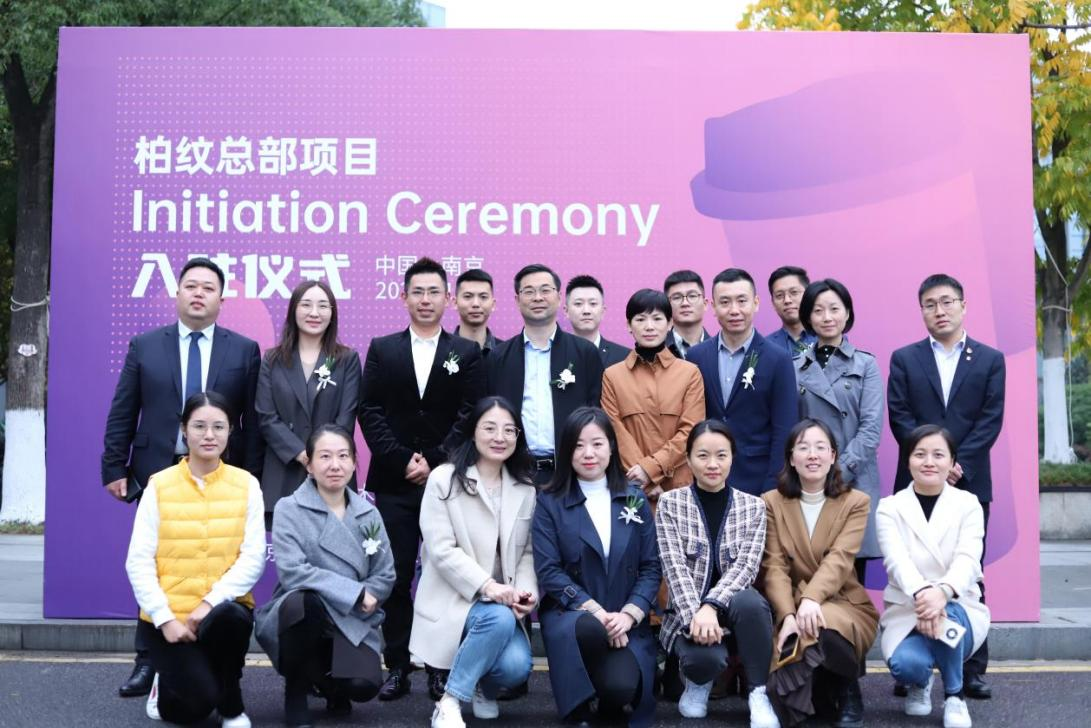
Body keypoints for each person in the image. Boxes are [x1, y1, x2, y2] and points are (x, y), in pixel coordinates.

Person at [103, 257, 262, 698]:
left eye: (208, 288)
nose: (198, 294)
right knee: (159, 563)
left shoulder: (244, 350)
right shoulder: (145, 345)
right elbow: (124, 407)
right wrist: (113, 465)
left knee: (211, 562)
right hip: (158, 472)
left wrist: (250, 475)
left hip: (220, 475)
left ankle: (211, 658)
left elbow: (252, 421)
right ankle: (147, 661)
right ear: (177, 294)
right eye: (191, 286)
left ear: (221, 300)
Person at [358, 257, 486, 702]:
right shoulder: (382, 348)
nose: (426, 299)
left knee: (442, 575)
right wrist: (400, 460)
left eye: (434, 292)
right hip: (394, 482)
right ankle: (397, 665)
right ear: (404, 297)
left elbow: (471, 413)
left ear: (447, 298)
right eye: (418, 292)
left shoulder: (466, 352)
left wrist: (433, 460)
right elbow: (369, 410)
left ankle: (439, 666)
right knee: (395, 576)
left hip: (447, 481)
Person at [887, 274, 1005, 699]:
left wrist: (956, 465)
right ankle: (911, 663)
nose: (940, 311)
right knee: (912, 571)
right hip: (916, 484)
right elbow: (900, 416)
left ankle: (971, 669)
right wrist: (929, 462)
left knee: (968, 572)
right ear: (921, 311)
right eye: (930, 304)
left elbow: (990, 419)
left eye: (947, 302)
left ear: (963, 305)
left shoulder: (990, 359)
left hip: (968, 483)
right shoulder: (905, 358)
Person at [124, 391, 265, 727]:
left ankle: (232, 706)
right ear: (184, 430)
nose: (209, 435)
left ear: (230, 431)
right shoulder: (159, 486)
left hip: (220, 613)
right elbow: (138, 561)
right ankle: (165, 682)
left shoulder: (247, 485)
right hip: (170, 620)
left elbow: (253, 557)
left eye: (219, 426)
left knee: (230, 617)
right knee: (194, 707)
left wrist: (209, 603)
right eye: (199, 426)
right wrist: (164, 618)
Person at [255, 424, 395, 727]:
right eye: (325, 456)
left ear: (355, 463)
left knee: (362, 686)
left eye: (343, 456)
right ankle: (295, 691)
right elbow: (293, 572)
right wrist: (355, 593)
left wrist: (371, 593)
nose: (335, 465)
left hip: (352, 618)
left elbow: (384, 573)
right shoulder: (289, 508)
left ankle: (330, 685)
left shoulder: (368, 512)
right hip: (304, 613)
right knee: (305, 603)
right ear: (309, 464)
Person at [411, 396, 538, 728]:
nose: (500, 437)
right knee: (497, 619)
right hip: (455, 598)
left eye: (509, 430)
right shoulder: (444, 479)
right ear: (472, 432)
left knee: (516, 667)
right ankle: (449, 700)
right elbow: (441, 549)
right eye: (490, 428)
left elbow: (526, 553)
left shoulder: (525, 488)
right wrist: (487, 586)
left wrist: (526, 593)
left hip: (502, 603)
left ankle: (483, 687)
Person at [532, 407, 660, 726]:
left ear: (611, 447)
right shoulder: (550, 501)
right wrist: (597, 613)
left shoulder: (633, 497)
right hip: (572, 617)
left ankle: (604, 689)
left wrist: (628, 615)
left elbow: (650, 567)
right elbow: (548, 570)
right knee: (588, 628)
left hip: (623, 620)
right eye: (578, 445)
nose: (588, 453)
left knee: (621, 689)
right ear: (566, 451)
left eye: (597, 443)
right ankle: (578, 699)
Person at [656, 419, 778, 727]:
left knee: (751, 602)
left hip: (732, 611)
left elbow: (746, 567)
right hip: (688, 614)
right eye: (703, 455)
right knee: (703, 661)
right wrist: (697, 615)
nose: (713, 464)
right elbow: (674, 569)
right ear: (688, 459)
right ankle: (698, 682)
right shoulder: (670, 504)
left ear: (732, 457)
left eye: (721, 455)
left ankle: (758, 693)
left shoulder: (753, 507)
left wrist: (712, 606)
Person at [762, 419, 879, 728]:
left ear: (833, 455)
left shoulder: (855, 502)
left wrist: (812, 598)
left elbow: (841, 559)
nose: (812, 455)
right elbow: (774, 566)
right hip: (791, 602)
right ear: (791, 458)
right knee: (788, 671)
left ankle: (848, 686)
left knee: (821, 622)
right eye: (803, 448)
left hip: (843, 600)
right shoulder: (771, 502)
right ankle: (821, 693)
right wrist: (788, 614)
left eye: (820, 447)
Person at [877, 425, 989, 728]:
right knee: (905, 665)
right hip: (907, 609)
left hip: (959, 607)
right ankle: (920, 681)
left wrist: (942, 595)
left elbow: (968, 559)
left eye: (938, 455)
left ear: (952, 462)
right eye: (920, 454)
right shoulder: (890, 508)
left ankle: (955, 695)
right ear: (907, 460)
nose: (929, 462)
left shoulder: (968, 504)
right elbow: (897, 561)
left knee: (948, 613)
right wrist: (925, 597)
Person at [795, 279, 883, 583]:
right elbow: (793, 429)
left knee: (852, 579)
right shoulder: (795, 367)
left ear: (847, 313)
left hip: (854, 481)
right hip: (810, 482)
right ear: (808, 317)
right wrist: (815, 475)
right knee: (812, 576)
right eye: (818, 310)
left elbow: (870, 430)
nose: (827, 317)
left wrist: (838, 472)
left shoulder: (866, 364)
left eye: (834, 309)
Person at [256, 280, 361, 529]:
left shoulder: (346, 359)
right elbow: (266, 416)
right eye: (306, 305)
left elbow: (346, 416)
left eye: (323, 306)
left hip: (332, 471)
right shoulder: (272, 359)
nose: (314, 313)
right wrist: (303, 455)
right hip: (284, 470)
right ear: (294, 310)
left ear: (332, 313)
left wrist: (322, 456)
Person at [488, 264, 604, 486]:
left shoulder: (584, 353)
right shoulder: (498, 357)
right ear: (517, 300)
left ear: (559, 298)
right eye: (529, 291)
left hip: (571, 473)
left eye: (545, 290)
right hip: (513, 473)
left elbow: (596, 412)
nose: (538, 297)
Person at [686, 268, 799, 495]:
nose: (734, 310)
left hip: (758, 480)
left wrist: (773, 485)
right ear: (713, 306)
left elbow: (784, 428)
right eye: (725, 302)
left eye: (742, 301)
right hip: (707, 479)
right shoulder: (696, 356)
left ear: (756, 303)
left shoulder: (778, 359)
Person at [601, 288, 705, 504]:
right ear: (629, 325)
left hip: (678, 488)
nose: (649, 326)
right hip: (631, 487)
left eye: (657, 319)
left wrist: (650, 469)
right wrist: (645, 479)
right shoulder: (612, 376)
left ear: (670, 324)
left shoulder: (689, 373)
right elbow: (615, 431)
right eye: (640, 319)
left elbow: (691, 431)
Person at [565, 274, 630, 368]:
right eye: (578, 304)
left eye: (593, 303)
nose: (586, 311)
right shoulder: (554, 353)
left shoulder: (624, 357)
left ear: (603, 311)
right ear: (566, 311)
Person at [765, 266, 817, 359]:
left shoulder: (828, 338)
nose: (787, 300)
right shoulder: (765, 347)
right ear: (773, 303)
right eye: (779, 295)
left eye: (794, 292)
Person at [453, 268, 504, 356]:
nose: (475, 304)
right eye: (468, 296)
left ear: (493, 304)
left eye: (483, 297)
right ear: (455, 303)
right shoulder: (440, 350)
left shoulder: (506, 352)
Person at [663, 269, 711, 360]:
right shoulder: (658, 351)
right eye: (677, 297)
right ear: (666, 306)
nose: (685, 303)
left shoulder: (718, 349)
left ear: (705, 304)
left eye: (692, 296)